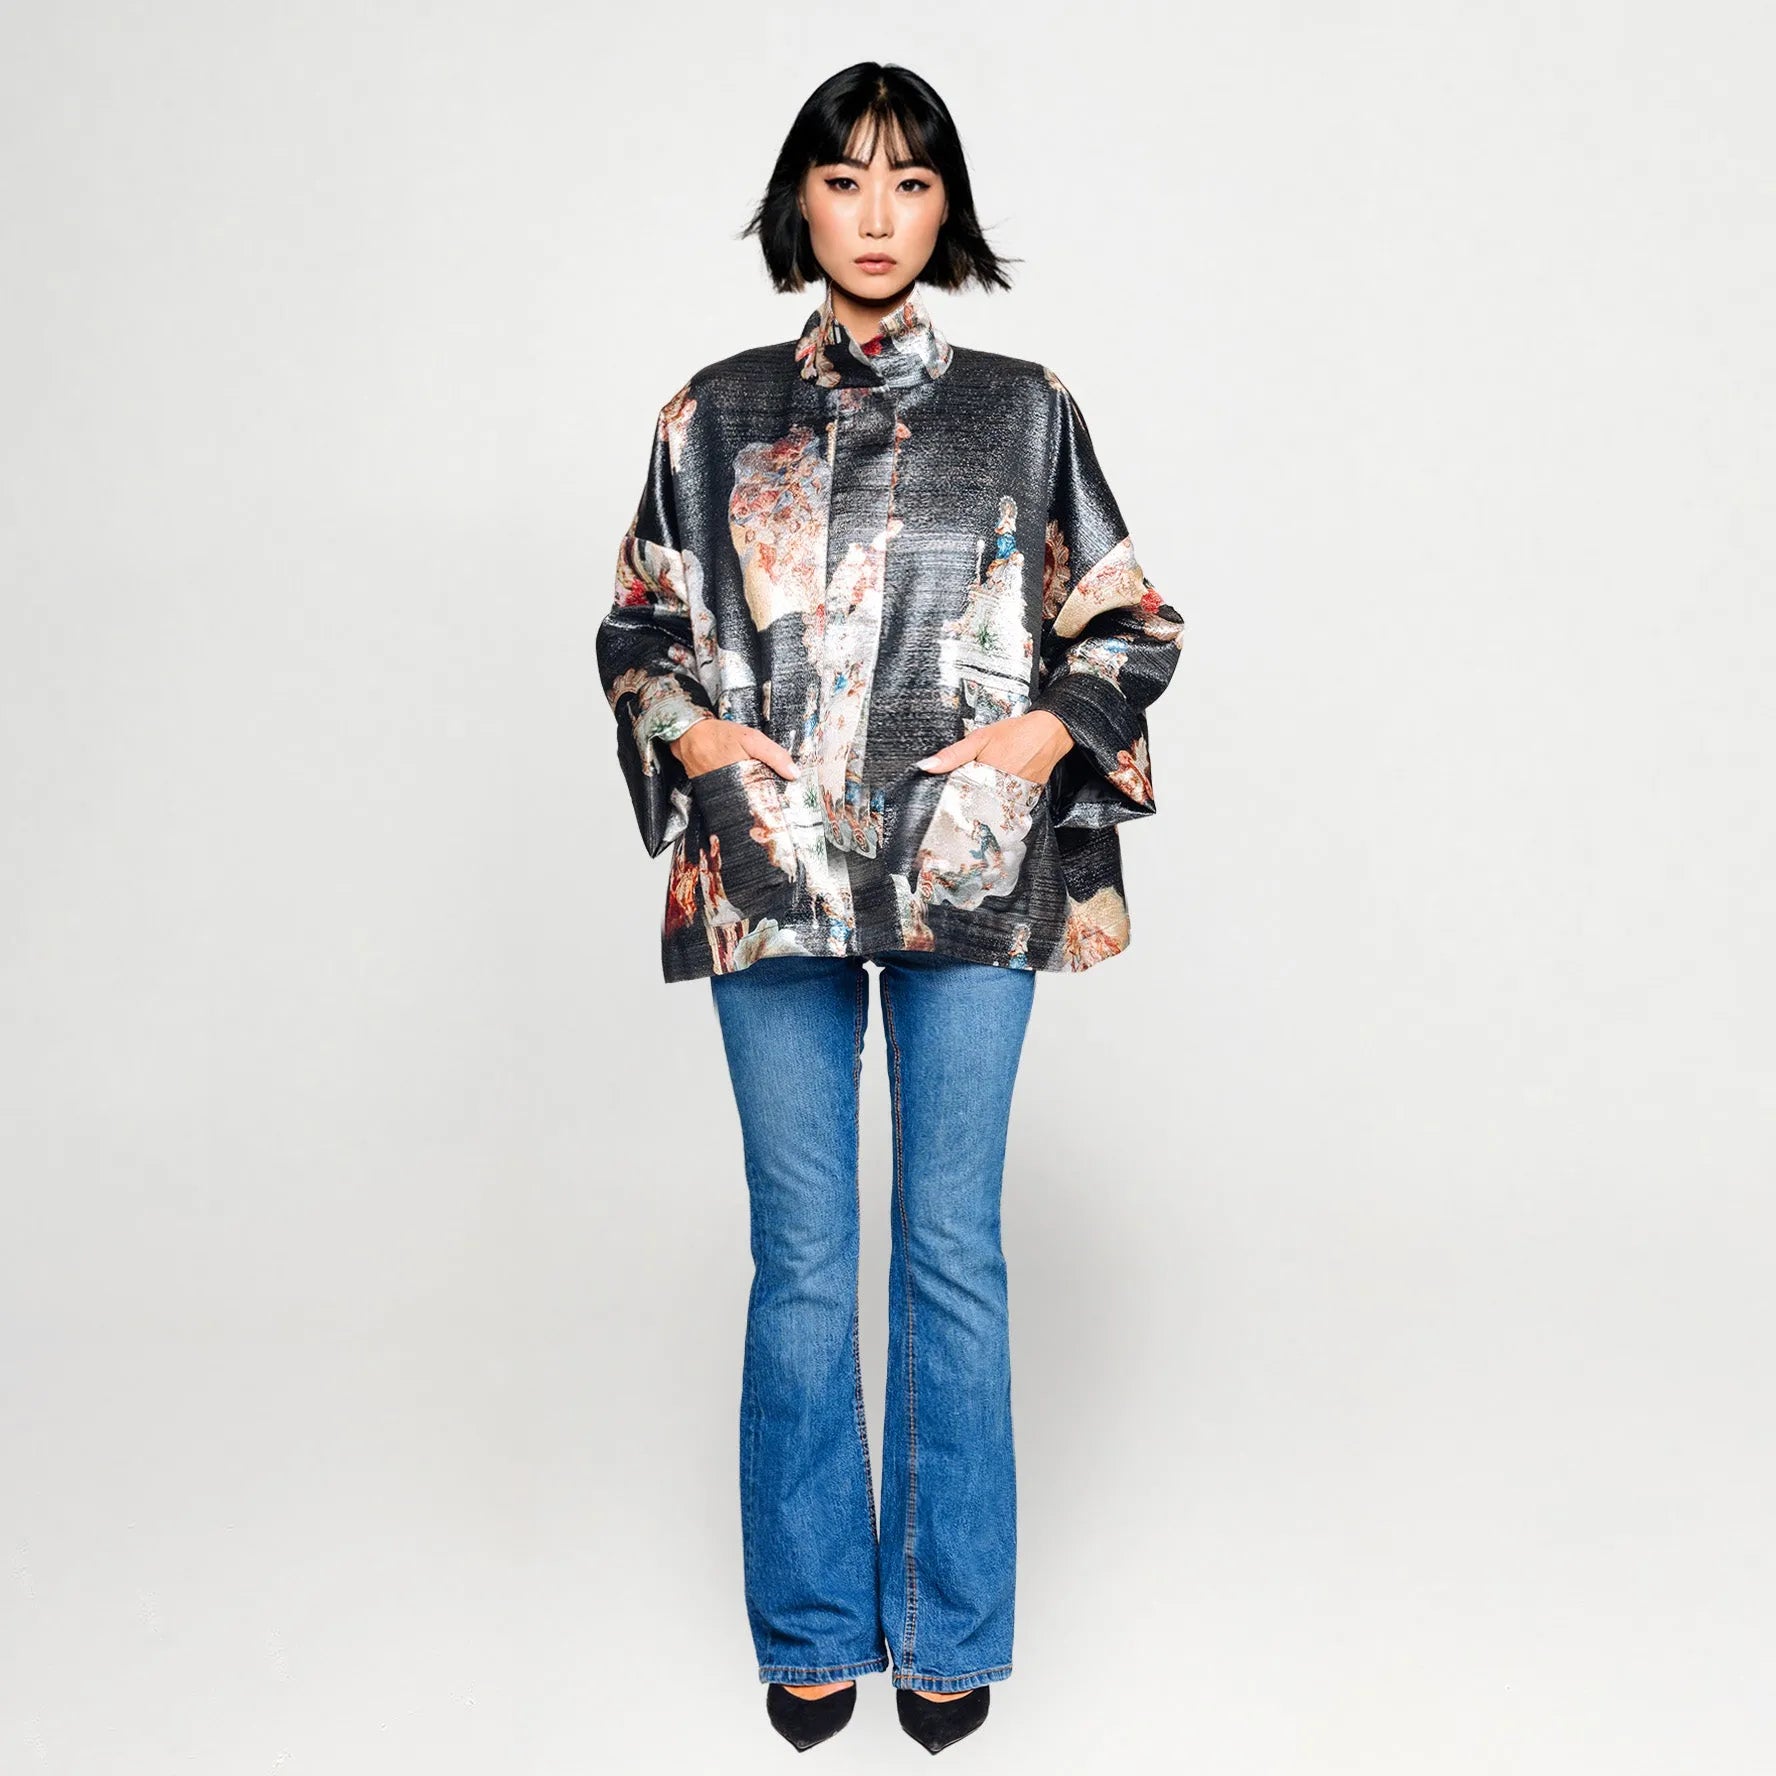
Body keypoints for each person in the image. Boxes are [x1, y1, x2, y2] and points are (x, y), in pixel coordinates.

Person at [596, 61, 1184, 1755]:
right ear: (800, 203)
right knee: (800, 1257)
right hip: (772, 867)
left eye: (910, 182)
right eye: (846, 181)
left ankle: (946, 1624)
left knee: (949, 1249)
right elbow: (638, 625)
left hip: (967, 870)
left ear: (947, 209)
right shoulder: (711, 417)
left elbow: (1129, 623)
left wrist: (1041, 735)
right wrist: (697, 734)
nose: (876, 215)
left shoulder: (1024, 411)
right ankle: (808, 1625)